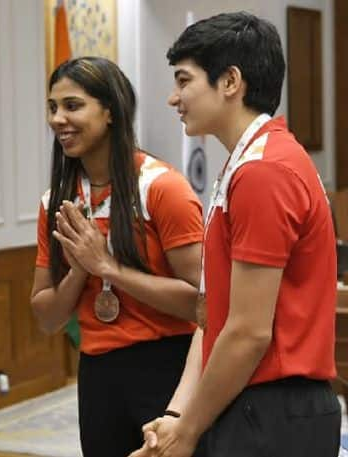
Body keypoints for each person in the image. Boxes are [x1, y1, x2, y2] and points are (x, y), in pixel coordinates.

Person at [130, 12, 339, 457]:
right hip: (250, 401)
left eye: (185, 81)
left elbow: (248, 333)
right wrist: (177, 418)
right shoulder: (245, 166)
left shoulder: (264, 172)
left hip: (274, 408)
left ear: (230, 81)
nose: (173, 97)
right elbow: (213, 317)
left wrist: (187, 433)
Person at [30, 56, 204, 457]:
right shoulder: (57, 203)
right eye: (53, 107)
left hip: (168, 365)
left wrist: (109, 268)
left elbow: (203, 304)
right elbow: (47, 317)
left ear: (110, 111)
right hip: (97, 370)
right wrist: (79, 270)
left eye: (73, 106)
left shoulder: (162, 188)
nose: (58, 119)